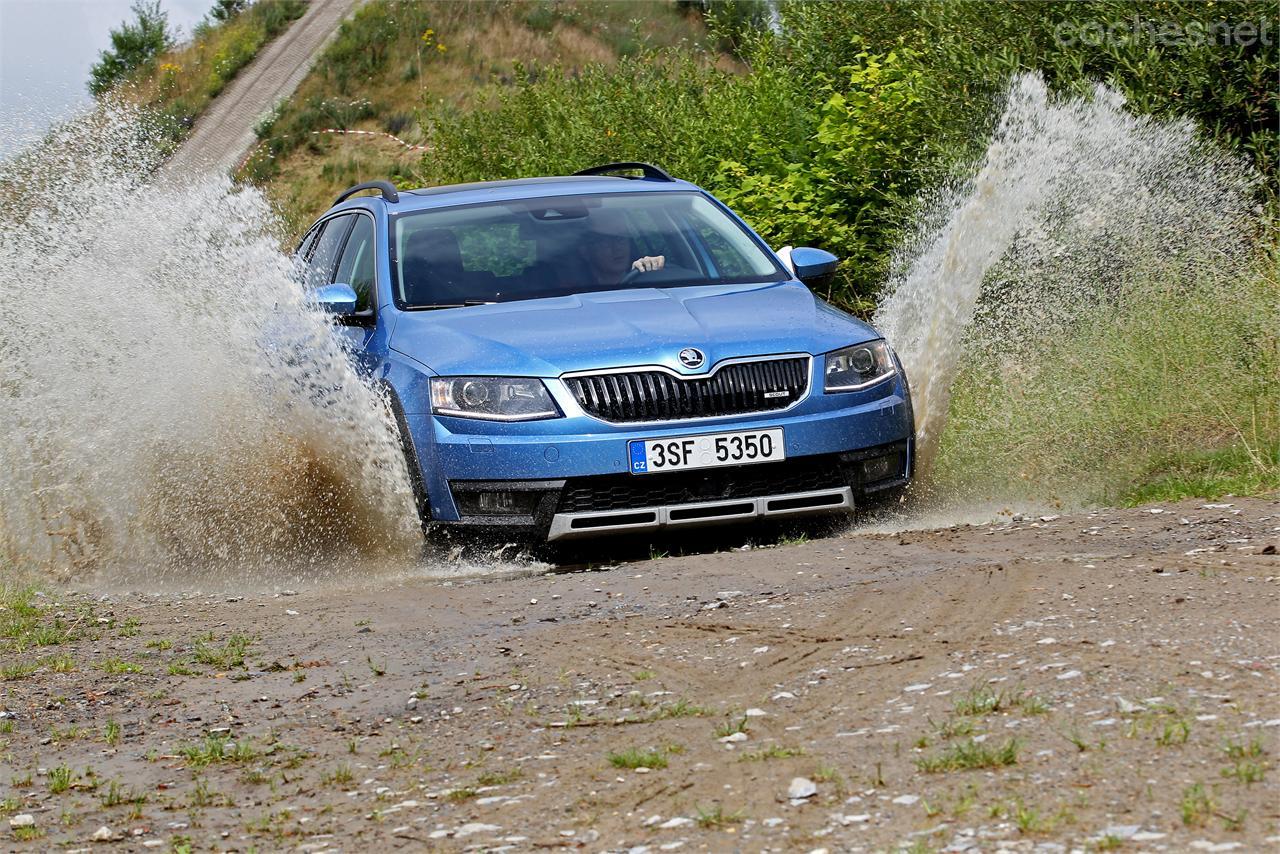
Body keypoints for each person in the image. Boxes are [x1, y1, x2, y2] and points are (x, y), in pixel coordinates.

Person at [582, 208, 665, 287]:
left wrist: (651, 266)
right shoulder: (573, 290)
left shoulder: (646, 278)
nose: (617, 247)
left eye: (620, 238)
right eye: (605, 242)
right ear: (585, 251)